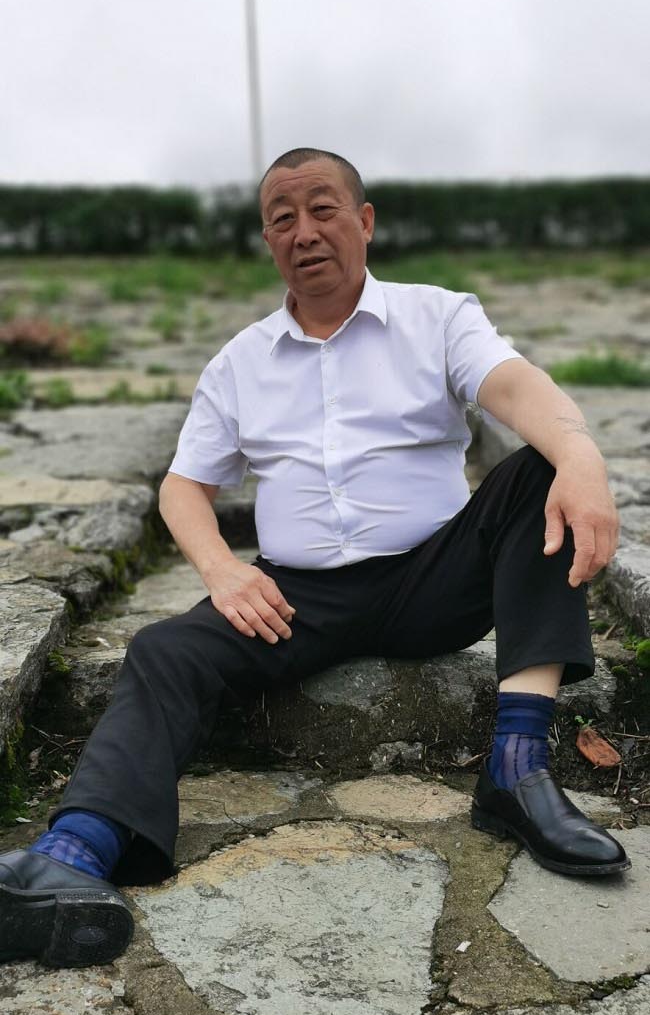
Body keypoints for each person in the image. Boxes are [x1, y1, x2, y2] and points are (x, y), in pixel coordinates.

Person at [0, 147, 629, 969]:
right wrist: (224, 570)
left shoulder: (437, 315)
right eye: (282, 218)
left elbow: (515, 388)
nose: (304, 231)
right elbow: (183, 487)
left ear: (364, 222)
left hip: (432, 578)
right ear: (268, 241)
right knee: (162, 649)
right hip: (295, 600)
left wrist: (580, 454)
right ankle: (76, 853)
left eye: (323, 209)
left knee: (541, 470)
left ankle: (517, 765)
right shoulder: (239, 362)